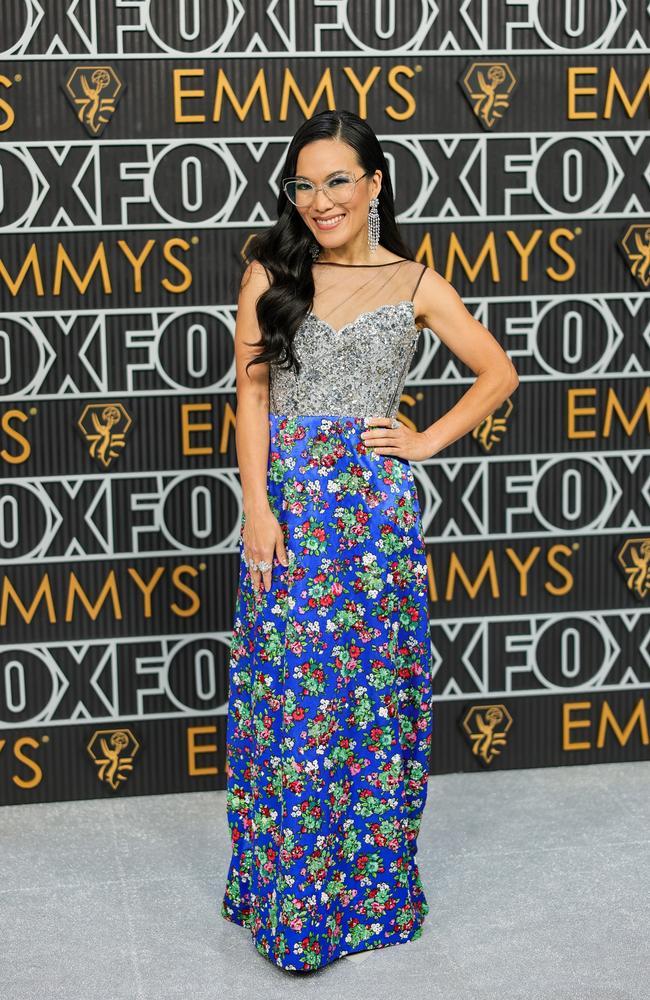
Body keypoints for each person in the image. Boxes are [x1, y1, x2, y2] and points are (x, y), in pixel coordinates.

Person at [220, 109, 518, 973]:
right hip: (290, 516)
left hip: (377, 522)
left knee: (373, 706)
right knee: (292, 711)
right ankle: (291, 908)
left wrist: (424, 441)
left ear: (375, 184)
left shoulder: (417, 283)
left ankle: (368, 897)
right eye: (304, 184)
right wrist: (256, 507)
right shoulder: (270, 270)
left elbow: (498, 372)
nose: (320, 200)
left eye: (338, 180)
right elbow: (253, 400)